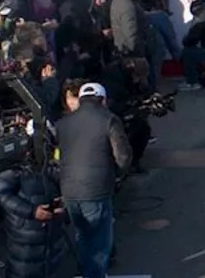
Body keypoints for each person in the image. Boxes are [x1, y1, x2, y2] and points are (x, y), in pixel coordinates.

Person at [55, 82, 132, 278]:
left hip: (69, 189)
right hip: (96, 189)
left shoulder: (63, 123)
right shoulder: (109, 120)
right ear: (103, 100)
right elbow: (123, 156)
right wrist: (118, 175)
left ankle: (86, 271)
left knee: (82, 235)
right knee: (99, 241)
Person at [0, 136, 65, 278]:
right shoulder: (13, 171)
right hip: (24, 237)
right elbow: (1, 195)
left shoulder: (47, 168)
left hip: (48, 237)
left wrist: (63, 203)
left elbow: (61, 180)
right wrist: (31, 211)